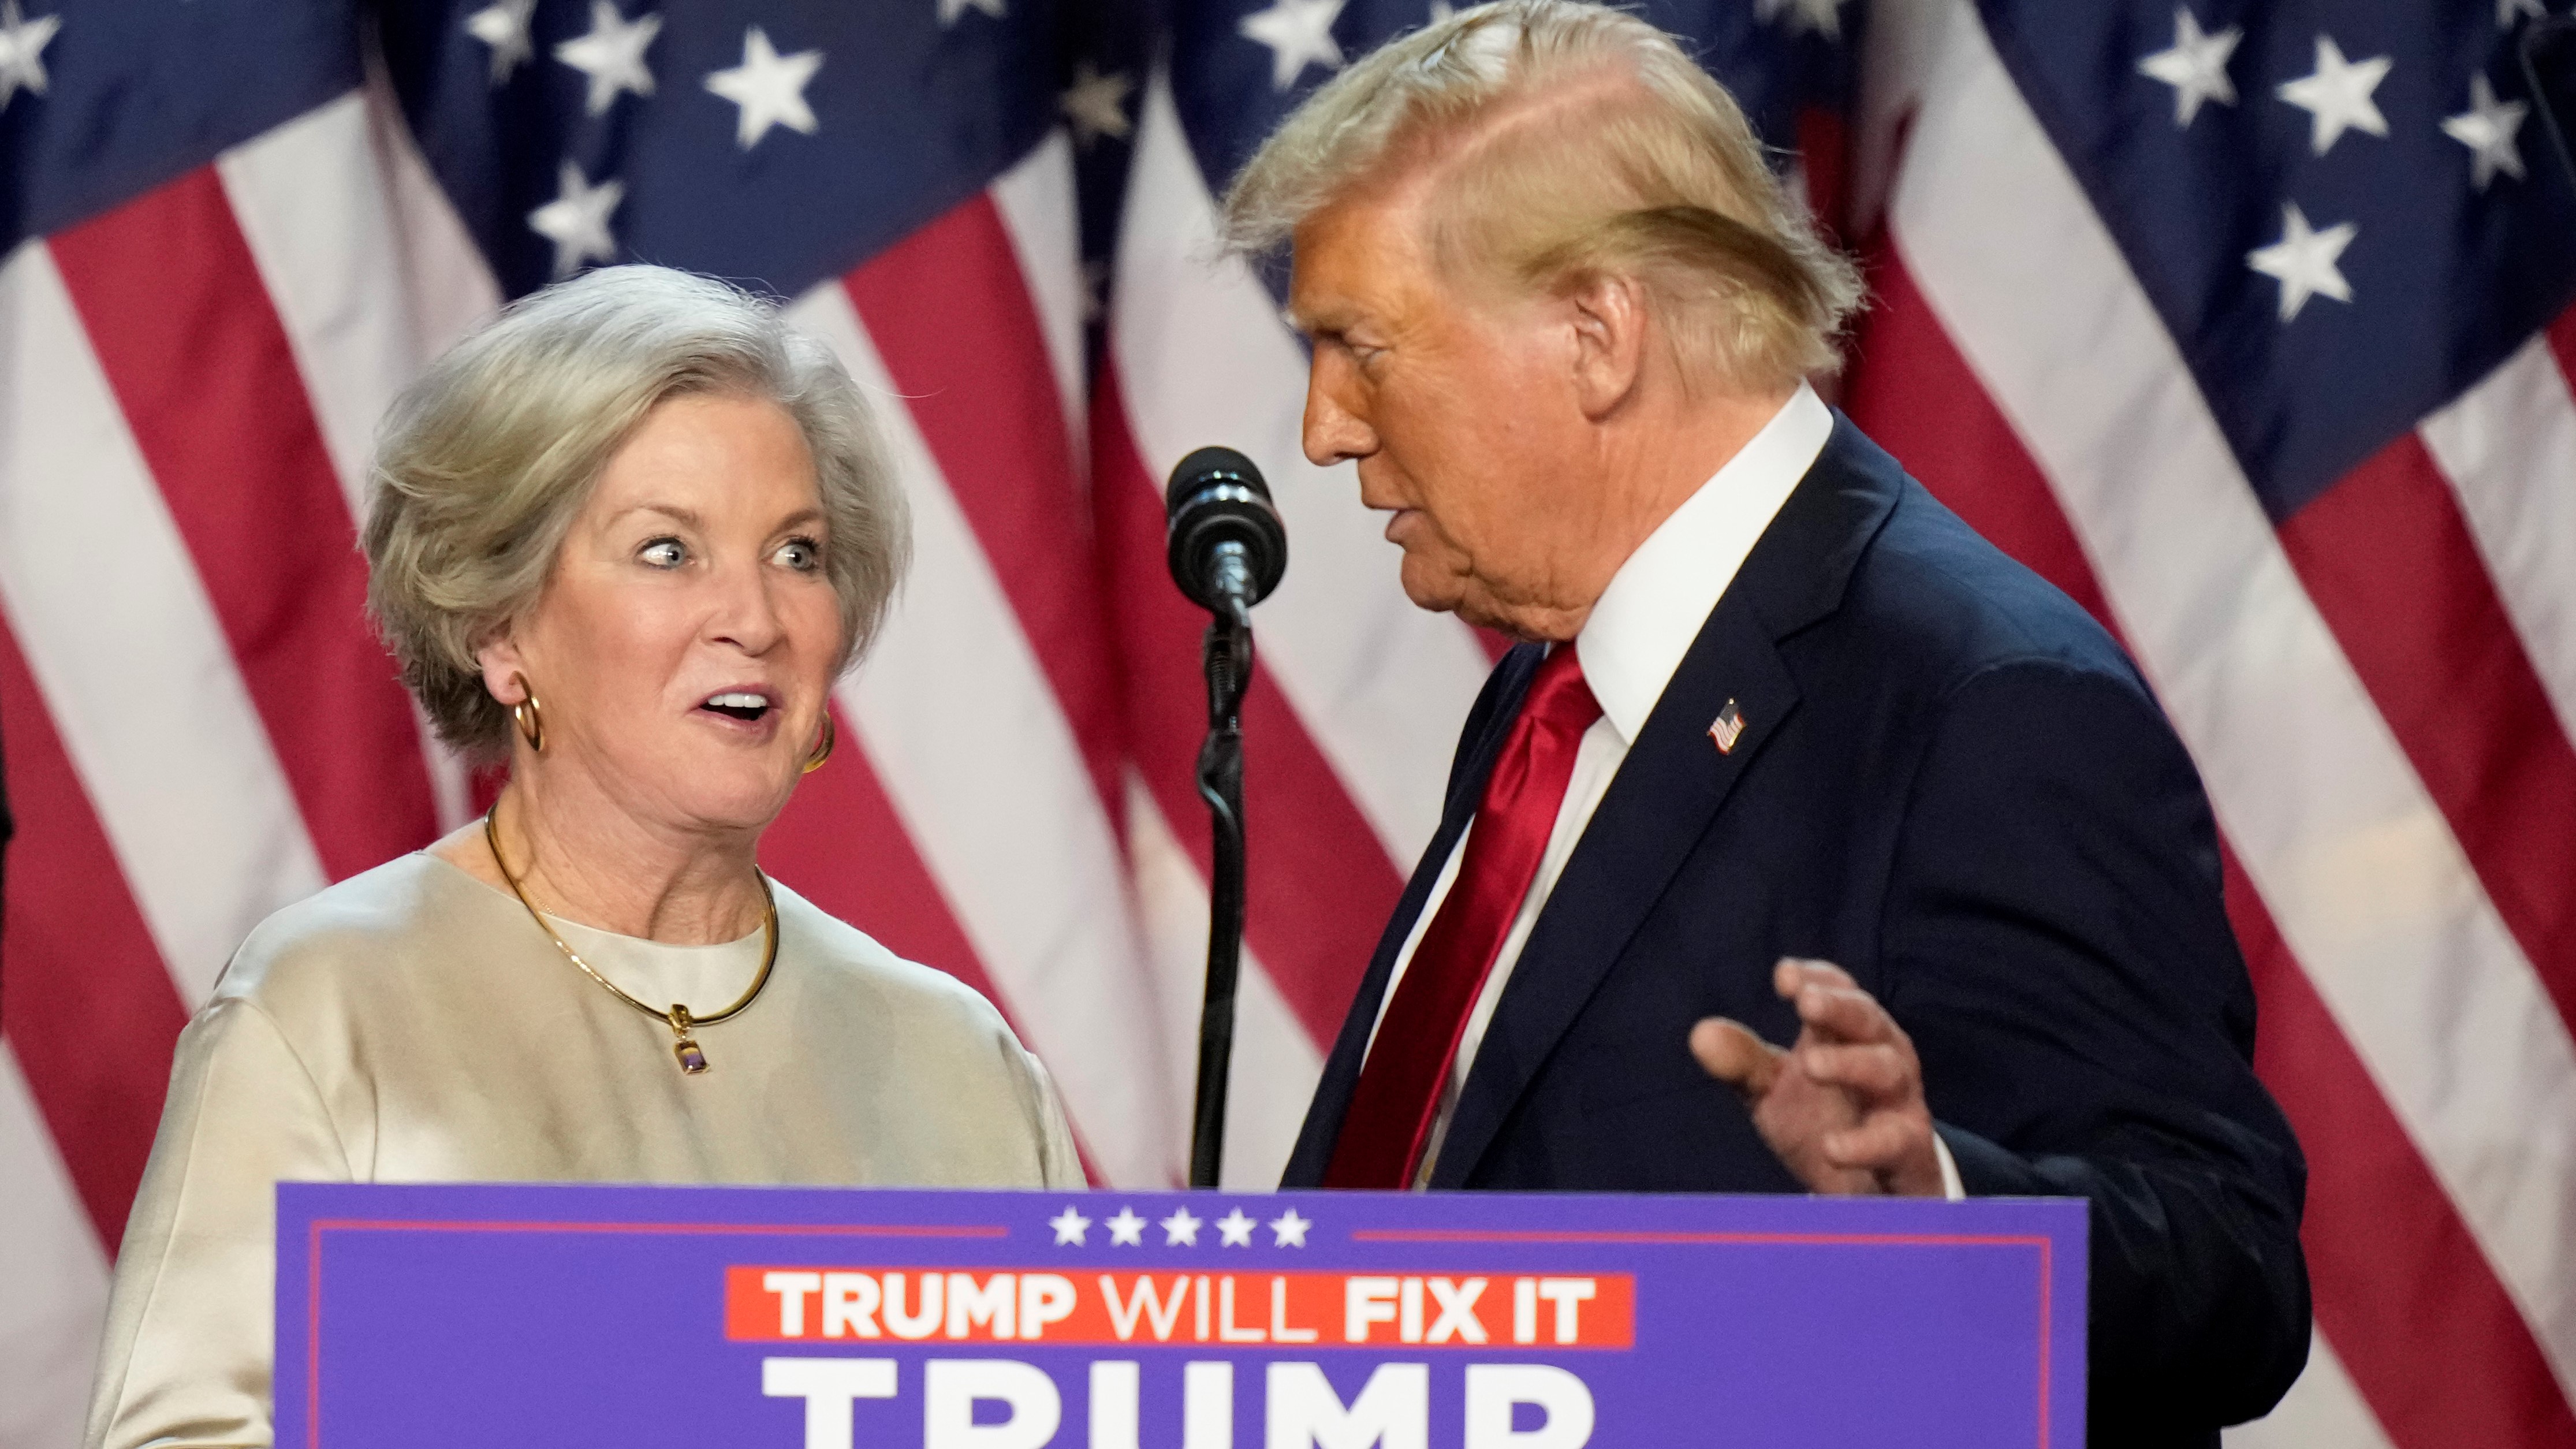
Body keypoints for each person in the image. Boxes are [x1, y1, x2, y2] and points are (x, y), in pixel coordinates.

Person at [1230, 3, 2307, 1443]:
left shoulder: (1981, 701)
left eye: (1360, 344)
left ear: (1596, 332)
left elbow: (2227, 1270)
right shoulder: (1551, 696)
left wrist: (1939, 1204)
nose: (1323, 428)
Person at [83, 266, 1081, 1449]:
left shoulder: (961, 1060)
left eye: (798, 553)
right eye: (668, 551)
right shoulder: (328, 1006)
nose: (755, 617)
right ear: (501, 629)